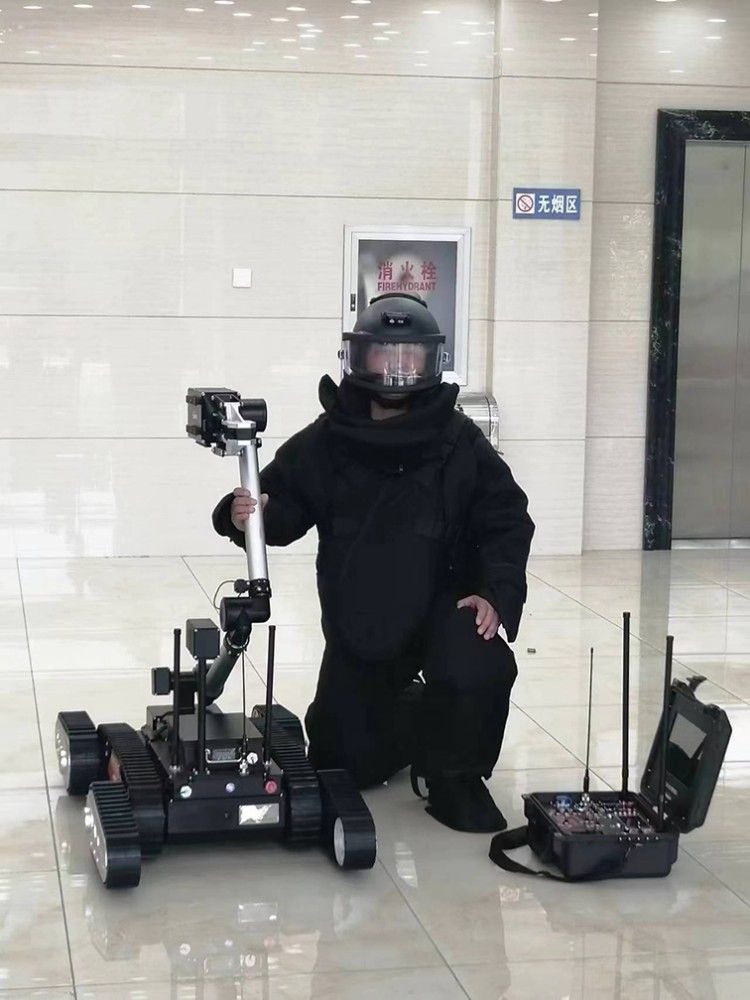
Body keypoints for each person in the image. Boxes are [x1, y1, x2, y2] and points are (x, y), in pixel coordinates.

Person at [212, 293, 535, 832]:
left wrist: (496, 593)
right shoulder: (328, 439)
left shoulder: (459, 440)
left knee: (477, 657)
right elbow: (281, 503)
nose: (397, 369)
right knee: (342, 761)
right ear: (359, 357)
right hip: (362, 621)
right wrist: (244, 515)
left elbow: (507, 518)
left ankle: (455, 775)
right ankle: (417, 715)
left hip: (446, 608)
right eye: (385, 353)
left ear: (431, 360)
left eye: (410, 356)